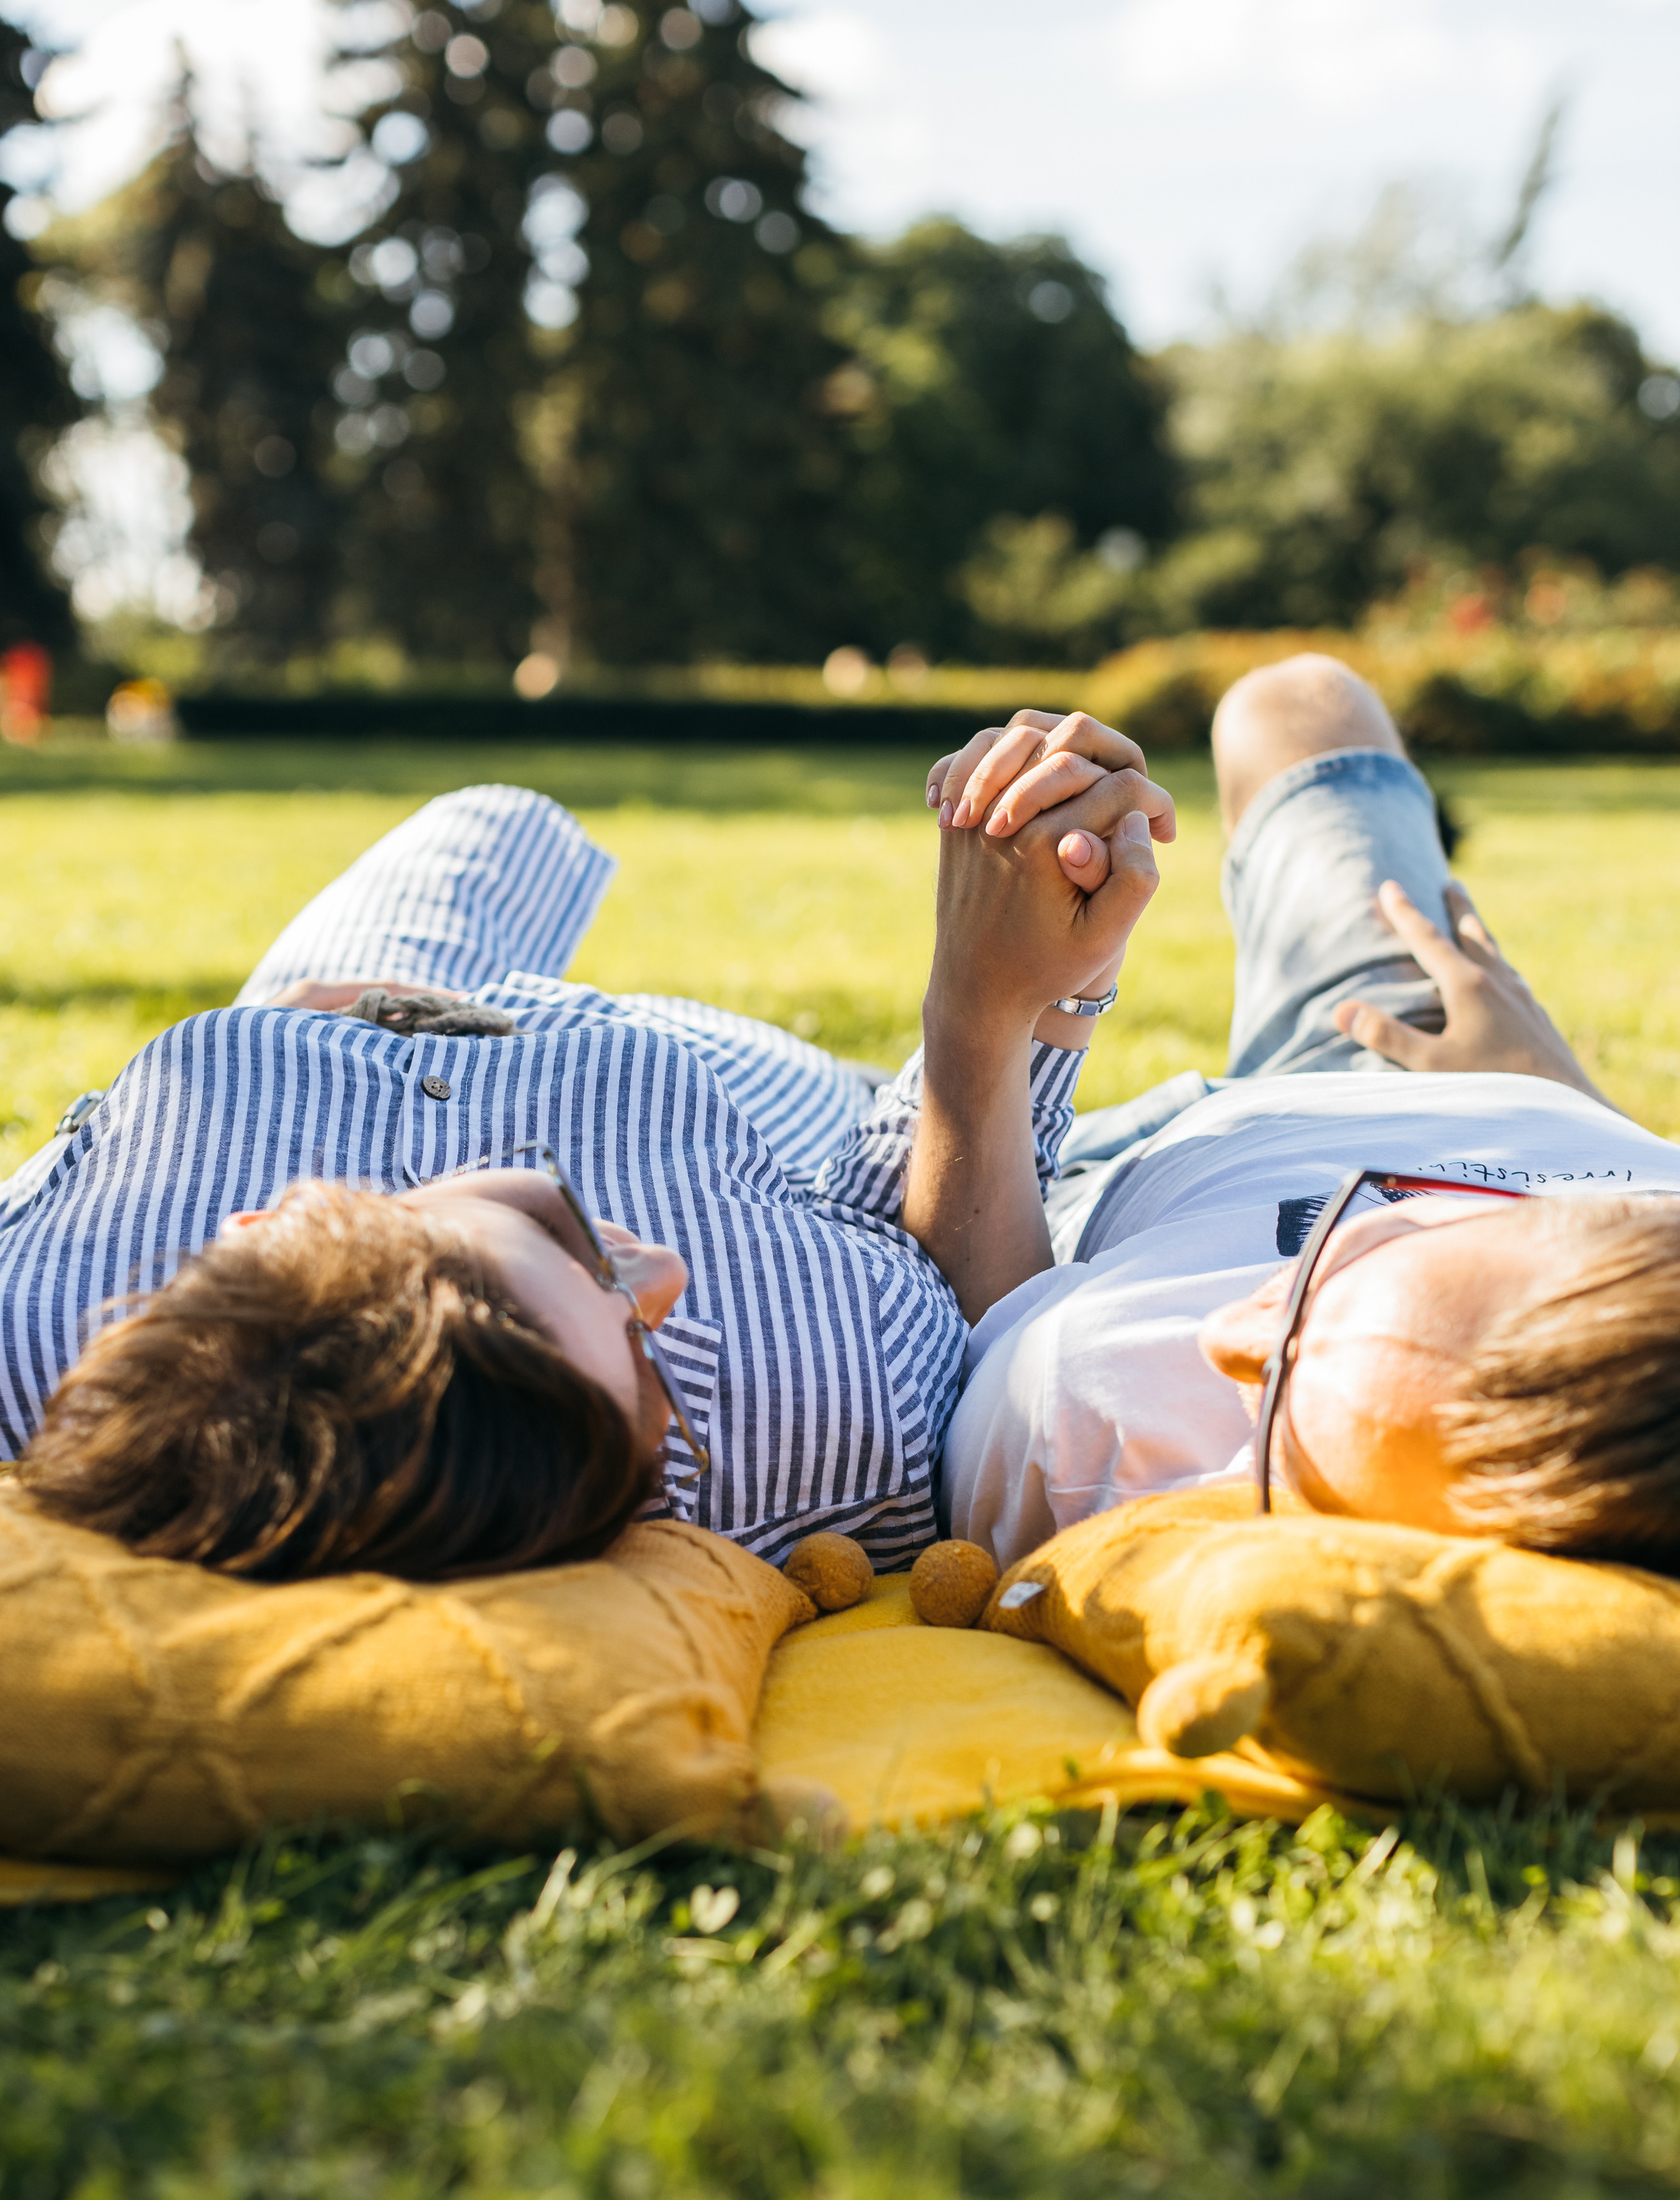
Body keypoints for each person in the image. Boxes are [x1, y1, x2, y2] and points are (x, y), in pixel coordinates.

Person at [11, 763, 1169, 1580]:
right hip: (708, 1092)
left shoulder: (33, 1324)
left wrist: (363, 1014)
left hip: (337, 1021)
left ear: (268, 1225)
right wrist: (1016, 998)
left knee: (495, 817)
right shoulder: (807, 1403)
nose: (656, 1272)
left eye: (563, 1230)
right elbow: (936, 1256)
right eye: (644, 1362)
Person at [937, 654, 1680, 1577]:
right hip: (1459, 1072)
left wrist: (992, 1006)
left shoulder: (1103, 1430)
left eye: (1279, 1379)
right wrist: (1578, 1103)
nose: (1234, 1334)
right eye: (1387, 1231)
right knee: (1299, 704)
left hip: (1096, 1186)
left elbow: (971, 1319)